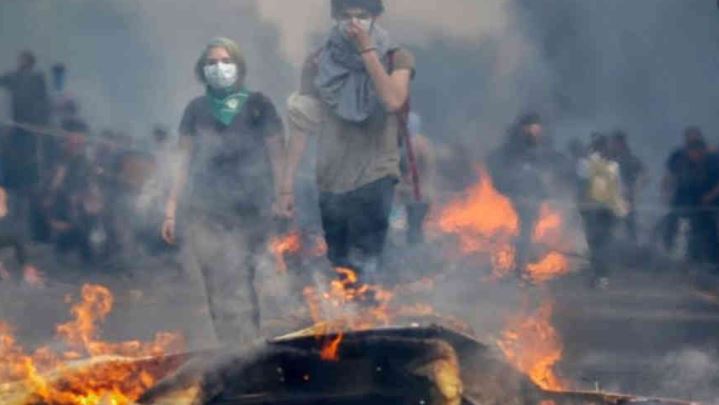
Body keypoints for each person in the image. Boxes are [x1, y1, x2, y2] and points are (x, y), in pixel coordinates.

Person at [161, 37, 285, 344]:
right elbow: (183, 161)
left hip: (250, 207)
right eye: (212, 63)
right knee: (215, 282)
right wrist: (171, 208)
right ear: (202, 71)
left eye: (226, 61)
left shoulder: (259, 105)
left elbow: (277, 154)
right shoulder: (195, 109)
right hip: (204, 207)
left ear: (239, 66)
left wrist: (284, 195)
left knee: (242, 277)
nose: (219, 68)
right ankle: (227, 348)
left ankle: (251, 345)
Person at [282, 0, 415, 282]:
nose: (354, 24)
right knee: (340, 264)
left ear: (376, 17)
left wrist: (367, 52)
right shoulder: (318, 62)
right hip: (332, 178)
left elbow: (392, 99)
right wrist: (285, 186)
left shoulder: (396, 57)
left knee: (367, 261)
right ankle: (349, 321)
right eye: (346, 16)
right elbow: (301, 125)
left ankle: (368, 318)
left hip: (376, 173)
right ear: (335, 18)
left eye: (362, 16)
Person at [488, 113, 564, 279]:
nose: (535, 131)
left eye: (537, 127)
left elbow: (543, 174)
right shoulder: (515, 151)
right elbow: (504, 172)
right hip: (523, 198)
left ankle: (520, 265)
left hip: (531, 197)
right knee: (525, 232)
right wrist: (513, 192)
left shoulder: (537, 151)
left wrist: (544, 194)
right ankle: (520, 267)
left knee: (527, 231)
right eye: (531, 127)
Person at [0, 51, 50, 239]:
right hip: (19, 125)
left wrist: (40, 122)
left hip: (30, 126)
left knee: (26, 188)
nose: (20, 62)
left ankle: (25, 231)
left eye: (23, 59)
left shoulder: (37, 78)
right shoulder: (14, 77)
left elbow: (43, 101)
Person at [661, 127, 719, 266]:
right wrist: (666, 193)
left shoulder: (713, 159)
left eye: (696, 144)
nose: (694, 153)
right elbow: (668, 177)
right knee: (672, 223)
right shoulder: (678, 157)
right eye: (690, 146)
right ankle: (676, 257)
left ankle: (711, 262)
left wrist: (711, 196)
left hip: (708, 204)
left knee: (707, 231)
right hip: (685, 199)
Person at [577, 134, 628, 288]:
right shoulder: (596, 164)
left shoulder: (601, 165)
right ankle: (600, 274)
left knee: (599, 243)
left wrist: (621, 205)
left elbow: (616, 188)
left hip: (602, 209)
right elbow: (583, 185)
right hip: (595, 208)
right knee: (599, 243)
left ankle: (600, 274)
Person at [608, 131, 646, 243]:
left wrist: (635, 188)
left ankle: (632, 249)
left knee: (629, 226)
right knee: (608, 227)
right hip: (609, 199)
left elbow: (645, 174)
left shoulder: (629, 159)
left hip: (626, 199)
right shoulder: (608, 159)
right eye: (613, 143)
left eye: (617, 143)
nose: (614, 145)